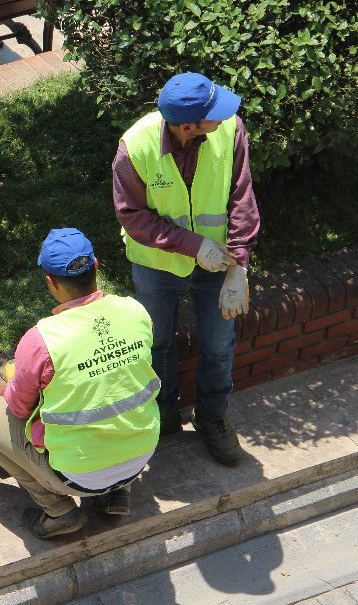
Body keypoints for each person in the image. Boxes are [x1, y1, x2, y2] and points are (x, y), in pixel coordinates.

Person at [0, 228, 160, 539]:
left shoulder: (42, 340)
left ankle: (59, 511)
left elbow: (18, 408)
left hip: (77, 475)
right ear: (96, 267)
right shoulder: (135, 312)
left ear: (50, 281)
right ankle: (115, 496)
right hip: (140, 457)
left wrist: (14, 376)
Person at [112, 72, 260, 466]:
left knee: (218, 343)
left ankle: (213, 418)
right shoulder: (135, 148)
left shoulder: (230, 130)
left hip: (220, 266)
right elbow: (133, 217)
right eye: (215, 113)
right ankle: (164, 411)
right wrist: (193, 245)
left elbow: (242, 197)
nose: (226, 116)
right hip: (156, 267)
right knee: (157, 342)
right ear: (188, 126)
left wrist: (239, 265)